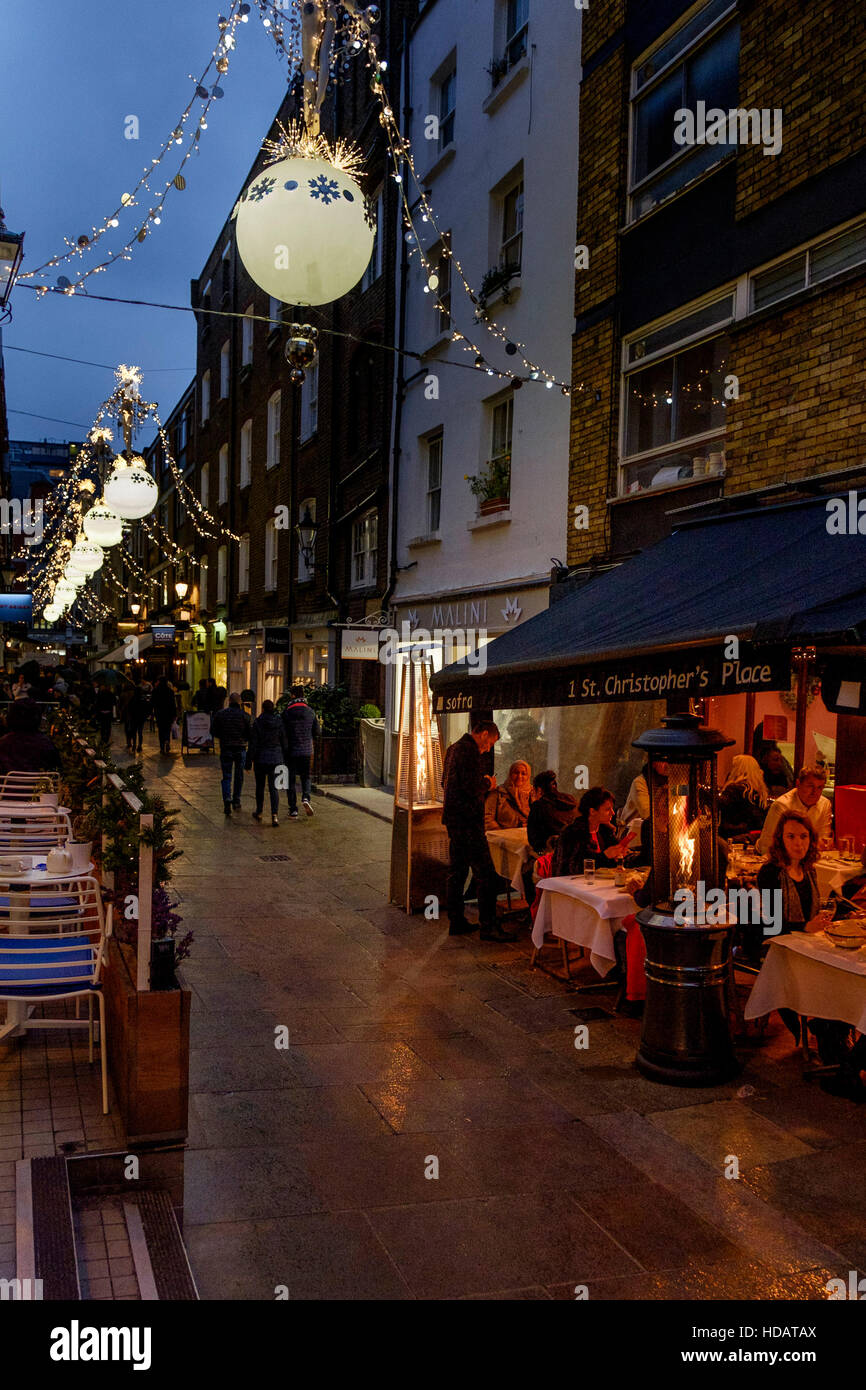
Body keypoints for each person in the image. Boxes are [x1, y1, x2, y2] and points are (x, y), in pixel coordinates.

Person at [755, 812, 835, 1044]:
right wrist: (806, 926)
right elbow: (771, 925)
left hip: (808, 941)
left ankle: (830, 1025)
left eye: (803, 836)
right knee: (827, 970)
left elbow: (814, 913)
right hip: (778, 944)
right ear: (780, 839)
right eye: (791, 837)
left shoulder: (809, 869)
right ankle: (825, 1025)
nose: (798, 843)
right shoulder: (770, 873)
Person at [442, 719, 514, 943]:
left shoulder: (453, 748)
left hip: (454, 820)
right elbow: (472, 788)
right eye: (490, 742)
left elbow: (445, 782)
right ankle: (489, 926)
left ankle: (456, 920)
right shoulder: (470, 752)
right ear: (483, 734)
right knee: (486, 875)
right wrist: (488, 784)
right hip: (468, 823)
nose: (489, 748)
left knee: (458, 872)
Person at [551, 787, 635, 877]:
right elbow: (570, 868)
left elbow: (612, 863)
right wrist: (605, 856)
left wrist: (620, 855)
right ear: (592, 811)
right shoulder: (573, 833)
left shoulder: (605, 831)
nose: (613, 813)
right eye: (607, 809)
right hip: (573, 886)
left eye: (612, 808)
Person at [756, 765, 833, 856]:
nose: (814, 792)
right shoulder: (782, 805)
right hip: (775, 856)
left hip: (806, 858)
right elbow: (767, 845)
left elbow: (823, 842)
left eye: (819, 787)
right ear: (798, 784)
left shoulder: (825, 804)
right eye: (810, 786)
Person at [280, 686, 319, 819]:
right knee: (305, 776)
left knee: (290, 780)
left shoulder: (286, 712)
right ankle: (306, 798)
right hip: (306, 750)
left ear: (292, 696)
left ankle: (293, 809)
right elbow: (317, 732)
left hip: (291, 751)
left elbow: (282, 732)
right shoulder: (310, 712)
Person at [248, 699, 288, 827]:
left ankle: (259, 811)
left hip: (261, 758)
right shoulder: (279, 722)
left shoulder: (258, 722)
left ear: (263, 709)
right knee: (274, 788)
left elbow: (253, 743)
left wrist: (249, 760)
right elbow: (284, 741)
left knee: (260, 786)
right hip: (276, 758)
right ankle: (274, 815)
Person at [212, 692, 251, 815]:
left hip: (226, 747)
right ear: (240, 702)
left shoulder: (220, 714)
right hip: (240, 748)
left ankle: (227, 798)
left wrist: (223, 737)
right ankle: (236, 800)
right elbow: (249, 733)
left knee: (227, 775)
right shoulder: (245, 716)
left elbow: (213, 731)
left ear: (229, 701)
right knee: (239, 775)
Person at [0, 699, 61, 776]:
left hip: (6, 786)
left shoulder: (3, 743)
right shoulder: (46, 744)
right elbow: (56, 770)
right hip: (37, 786)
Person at [718, 754, 770, 838]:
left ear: (738, 769)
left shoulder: (735, 789)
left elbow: (720, 805)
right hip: (752, 835)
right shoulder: (758, 791)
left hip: (733, 835)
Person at [526, 770, 578, 853]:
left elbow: (533, 839)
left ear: (539, 789)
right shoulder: (570, 800)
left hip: (552, 852)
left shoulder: (539, 806)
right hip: (574, 849)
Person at [622, 760, 668, 845]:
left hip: (661, 829)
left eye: (668, 761)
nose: (667, 765)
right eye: (663, 761)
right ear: (654, 763)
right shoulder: (640, 783)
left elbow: (681, 798)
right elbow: (647, 813)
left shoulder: (670, 781)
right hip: (635, 832)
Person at [484, 760, 531, 830]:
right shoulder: (498, 792)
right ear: (510, 774)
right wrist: (499, 832)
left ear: (528, 776)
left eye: (523, 773)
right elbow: (487, 817)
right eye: (516, 772)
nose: (519, 776)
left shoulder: (533, 793)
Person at [151, 676, 178, 756]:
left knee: (161, 730)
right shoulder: (170, 691)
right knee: (167, 728)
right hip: (168, 713)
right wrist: (174, 714)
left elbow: (152, 702)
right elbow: (173, 704)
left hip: (159, 713)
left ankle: (162, 747)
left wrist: (152, 711)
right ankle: (167, 740)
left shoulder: (155, 691)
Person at [122, 677, 150, 754]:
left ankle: (134, 744)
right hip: (141, 718)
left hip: (134, 718)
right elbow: (147, 708)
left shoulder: (133, 699)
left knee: (134, 732)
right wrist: (146, 715)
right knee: (140, 732)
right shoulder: (143, 699)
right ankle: (140, 745)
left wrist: (130, 715)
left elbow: (129, 708)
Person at [93, 680, 115, 744]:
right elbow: (113, 703)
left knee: (103, 726)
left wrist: (97, 712)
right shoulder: (111, 694)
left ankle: (103, 738)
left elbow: (97, 704)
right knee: (108, 727)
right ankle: (106, 739)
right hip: (108, 713)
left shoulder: (100, 694)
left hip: (102, 713)